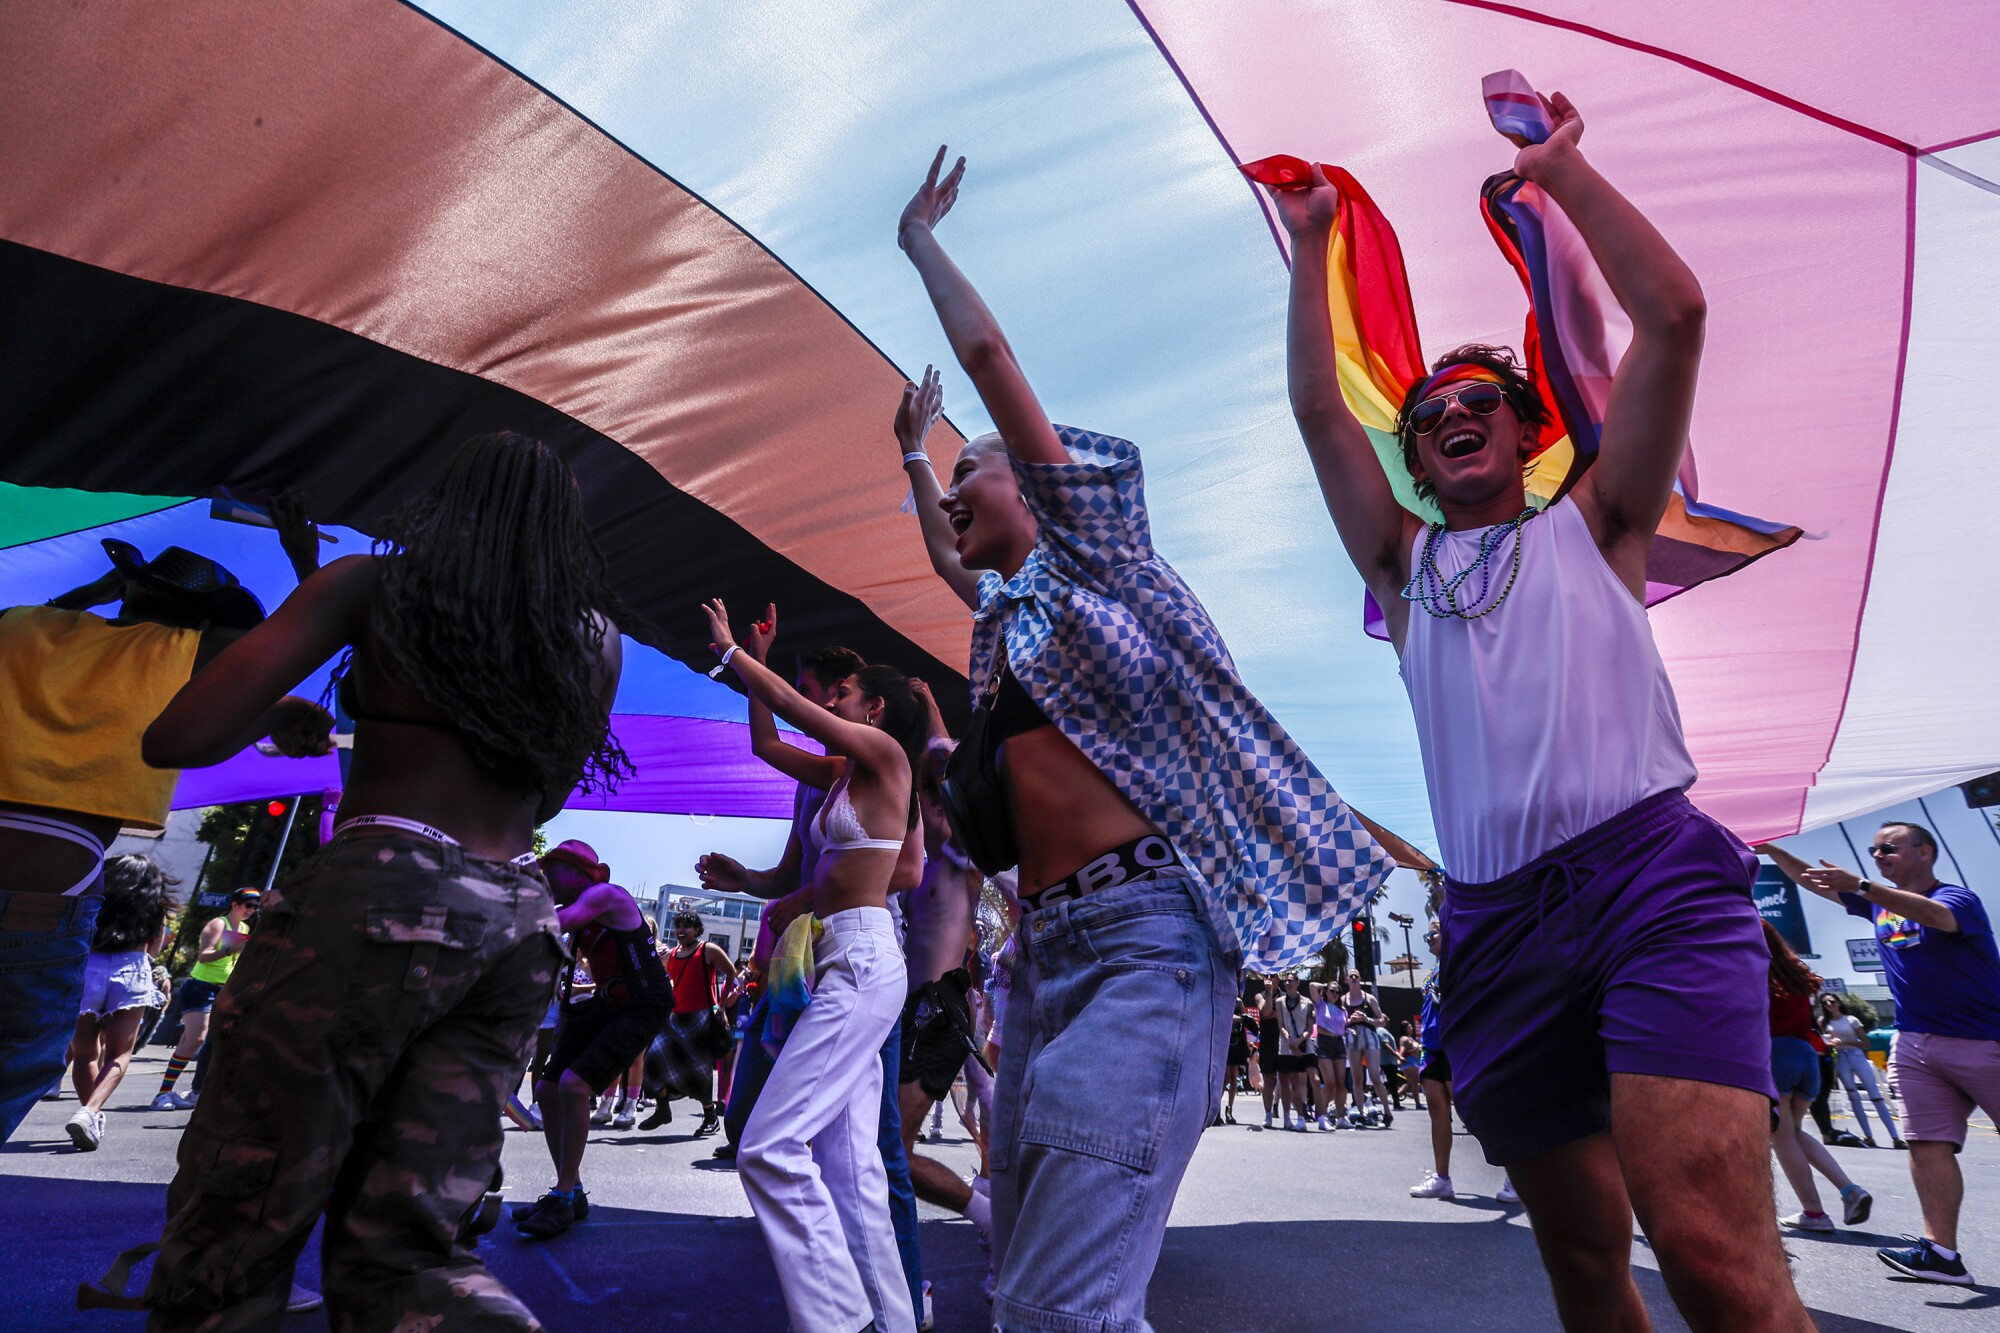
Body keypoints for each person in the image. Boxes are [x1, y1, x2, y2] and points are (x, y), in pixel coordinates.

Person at [1271, 92, 1803, 1328]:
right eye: (1426, 413)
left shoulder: (1599, 522)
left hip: (1647, 887)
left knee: (1713, 1260)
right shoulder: (1402, 569)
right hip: (1492, 926)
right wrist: (1311, 250)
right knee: (1577, 1261)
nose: (1450, 411)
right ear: (1411, 459)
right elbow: (1313, 410)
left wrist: (1564, 175)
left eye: (1478, 400)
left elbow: (1672, 316)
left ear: (1527, 431)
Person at [895, 146, 1392, 1332]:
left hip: (1145, 942)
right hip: (1049, 957)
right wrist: (911, 456)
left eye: (974, 472)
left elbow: (989, 361)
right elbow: (938, 547)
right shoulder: (1004, 626)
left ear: (1040, 486)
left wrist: (918, 241)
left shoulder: (1106, 569)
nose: (956, 492)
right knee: (1026, 1277)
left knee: (1063, 1308)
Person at [114, 432, 627, 1329]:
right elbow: (544, 786)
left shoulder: (373, 587)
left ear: (443, 504)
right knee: (411, 1245)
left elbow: (177, 738)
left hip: (378, 888)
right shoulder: (594, 640)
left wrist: (287, 699)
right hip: (513, 920)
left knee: (242, 1216)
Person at [0, 535, 320, 1146]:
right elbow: (297, 638)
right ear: (203, 616)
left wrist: (97, 592)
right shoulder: (190, 649)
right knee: (22, 1054)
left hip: (46, 871)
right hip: (47, 882)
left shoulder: (20, 626)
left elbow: (52, 608)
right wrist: (304, 559)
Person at [702, 598, 926, 1333]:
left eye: (846, 696)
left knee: (767, 1145)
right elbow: (768, 741)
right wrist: (757, 664)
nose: (833, 699)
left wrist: (733, 650)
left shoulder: (889, 759)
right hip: (834, 958)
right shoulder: (838, 772)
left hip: (862, 957)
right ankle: (892, 1321)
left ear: (877, 708)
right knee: (849, 1163)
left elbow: (795, 705)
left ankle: (839, 1320)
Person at [1764, 825, 2000, 1286]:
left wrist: (1862, 886)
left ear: (1925, 852)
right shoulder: (1877, 903)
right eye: (1873, 850)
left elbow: (1937, 917)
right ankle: (1941, 1254)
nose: (1877, 855)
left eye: (1888, 848)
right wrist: (1771, 848)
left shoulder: (1956, 898)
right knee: (1927, 1144)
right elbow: (1811, 879)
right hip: (1914, 1044)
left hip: (1984, 1038)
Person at [517, 841, 672, 1240]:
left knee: (574, 1085)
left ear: (584, 873)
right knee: (548, 1091)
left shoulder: (604, 895)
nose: (548, 878)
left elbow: (557, 921)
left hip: (644, 1002)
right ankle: (571, 1189)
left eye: (555, 871)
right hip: (608, 1001)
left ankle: (564, 1196)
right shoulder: (580, 909)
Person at [899, 738, 994, 1242]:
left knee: (889, 1147)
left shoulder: (964, 863)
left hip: (940, 1009)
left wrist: (927, 700)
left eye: (937, 807)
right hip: (908, 1011)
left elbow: (945, 753)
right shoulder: (917, 871)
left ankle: (991, 1218)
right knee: (881, 1149)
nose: (928, 815)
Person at [1763, 922, 1872, 1234]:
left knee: (1781, 1136)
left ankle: (1814, 1213)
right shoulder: (1796, 973)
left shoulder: (1754, 971)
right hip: (1807, 1055)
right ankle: (1850, 1191)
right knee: (1794, 1132)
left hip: (1777, 1054)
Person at [65, 855, 175, 1151]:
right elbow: (154, 947)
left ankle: (89, 1114)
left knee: (85, 1053)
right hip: (131, 968)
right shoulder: (154, 907)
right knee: (118, 1053)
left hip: (90, 968)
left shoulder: (95, 897)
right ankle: (90, 1112)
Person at [151, 888, 260, 1112]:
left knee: (197, 1041)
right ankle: (162, 1095)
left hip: (224, 989)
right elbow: (204, 955)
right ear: (235, 905)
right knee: (196, 1039)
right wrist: (232, 949)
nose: (251, 910)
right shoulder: (218, 924)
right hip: (201, 987)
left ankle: (174, 1091)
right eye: (248, 905)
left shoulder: (244, 928)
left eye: (255, 906)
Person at [661, 904, 739, 1139]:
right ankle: (662, 1107)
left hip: (702, 1016)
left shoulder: (708, 949)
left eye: (687, 926)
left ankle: (709, 1116)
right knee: (655, 1057)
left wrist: (722, 1005)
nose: (681, 930)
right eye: (678, 926)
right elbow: (667, 981)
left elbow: (731, 973)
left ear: (697, 929)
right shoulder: (671, 955)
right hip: (676, 1016)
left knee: (700, 1069)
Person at [1819, 992, 1903, 1148]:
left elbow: (1866, 1043)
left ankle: (1895, 1137)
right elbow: (1824, 1041)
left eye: (1832, 1001)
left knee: (1876, 1096)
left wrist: (1845, 1041)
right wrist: (1831, 1043)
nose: (1829, 1005)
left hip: (1857, 1055)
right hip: (1841, 1058)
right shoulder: (1824, 1022)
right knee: (1853, 1096)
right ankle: (1868, 1136)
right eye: (1825, 1003)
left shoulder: (1851, 1019)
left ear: (1839, 1002)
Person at [1341, 971, 1392, 1127]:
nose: (1354, 979)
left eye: (1357, 976)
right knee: (1357, 1079)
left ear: (1361, 979)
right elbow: (1339, 1022)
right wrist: (1350, 1020)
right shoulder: (1343, 1000)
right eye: (1351, 976)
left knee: (1375, 1076)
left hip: (1369, 1035)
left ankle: (1387, 1112)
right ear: (1347, 980)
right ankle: (1361, 1113)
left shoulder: (1369, 998)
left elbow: (1382, 1020)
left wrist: (1366, 1019)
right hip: (1352, 1036)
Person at [1272, 973, 1315, 1132]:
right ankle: (1286, 1117)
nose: (1288, 983)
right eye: (1286, 981)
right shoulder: (1279, 1002)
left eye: (1291, 980)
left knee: (1297, 1083)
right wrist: (1290, 1040)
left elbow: (1309, 1028)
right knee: (1284, 1083)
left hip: (1302, 1046)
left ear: (1298, 982)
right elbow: (1281, 1025)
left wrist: (1298, 1042)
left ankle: (1301, 1117)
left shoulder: (1307, 1002)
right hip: (1285, 1047)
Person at [1310, 979, 1350, 1129]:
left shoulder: (1342, 1010)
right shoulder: (1320, 1004)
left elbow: (1344, 1027)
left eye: (1337, 991)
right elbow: (1312, 986)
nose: (1334, 994)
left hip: (1339, 1044)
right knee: (1330, 1083)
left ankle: (1341, 1117)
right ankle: (1322, 1115)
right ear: (1326, 992)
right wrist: (1326, 986)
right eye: (1332, 991)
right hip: (1324, 1043)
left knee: (1341, 1084)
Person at [1222, 998, 1252, 1125]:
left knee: (1234, 1077)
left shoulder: (1238, 1001)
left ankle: (1229, 1109)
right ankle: (1215, 1109)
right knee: (1225, 1078)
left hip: (1237, 1041)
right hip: (1225, 1039)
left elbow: (1243, 1018)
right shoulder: (1223, 997)